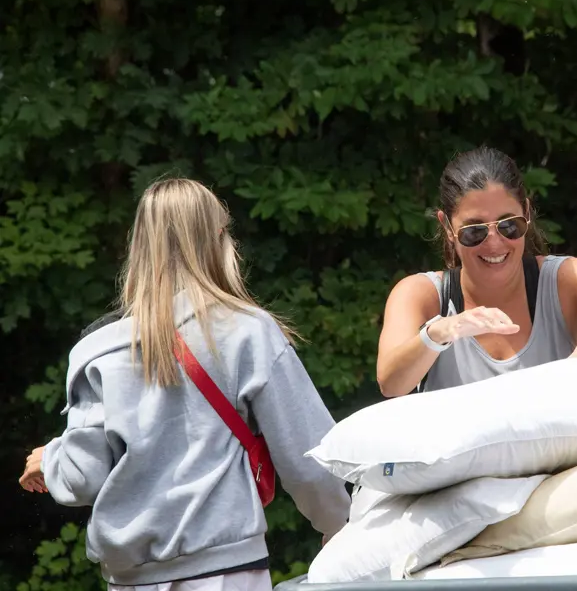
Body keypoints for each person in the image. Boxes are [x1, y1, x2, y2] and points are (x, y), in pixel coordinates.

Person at [18, 178, 350, 590]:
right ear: (217, 238)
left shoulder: (96, 350)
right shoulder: (245, 331)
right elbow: (310, 459)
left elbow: (83, 476)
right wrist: (340, 528)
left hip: (130, 580)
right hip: (227, 575)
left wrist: (50, 459)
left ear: (137, 244)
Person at [376, 145, 577, 397]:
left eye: (509, 226)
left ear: (528, 214)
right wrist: (441, 331)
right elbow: (391, 383)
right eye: (474, 231)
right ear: (447, 227)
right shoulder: (423, 295)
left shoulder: (565, 279)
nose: (494, 243)